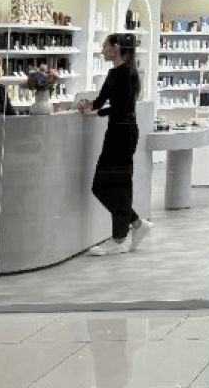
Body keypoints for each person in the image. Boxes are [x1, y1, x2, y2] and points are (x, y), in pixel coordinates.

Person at [77, 33, 152, 256]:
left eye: (105, 46)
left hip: (125, 132)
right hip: (114, 132)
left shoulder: (128, 73)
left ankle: (119, 239)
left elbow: (123, 107)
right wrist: (88, 106)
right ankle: (137, 223)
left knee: (119, 184)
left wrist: (96, 112)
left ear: (116, 47)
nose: (102, 50)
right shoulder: (112, 73)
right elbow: (101, 101)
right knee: (100, 186)